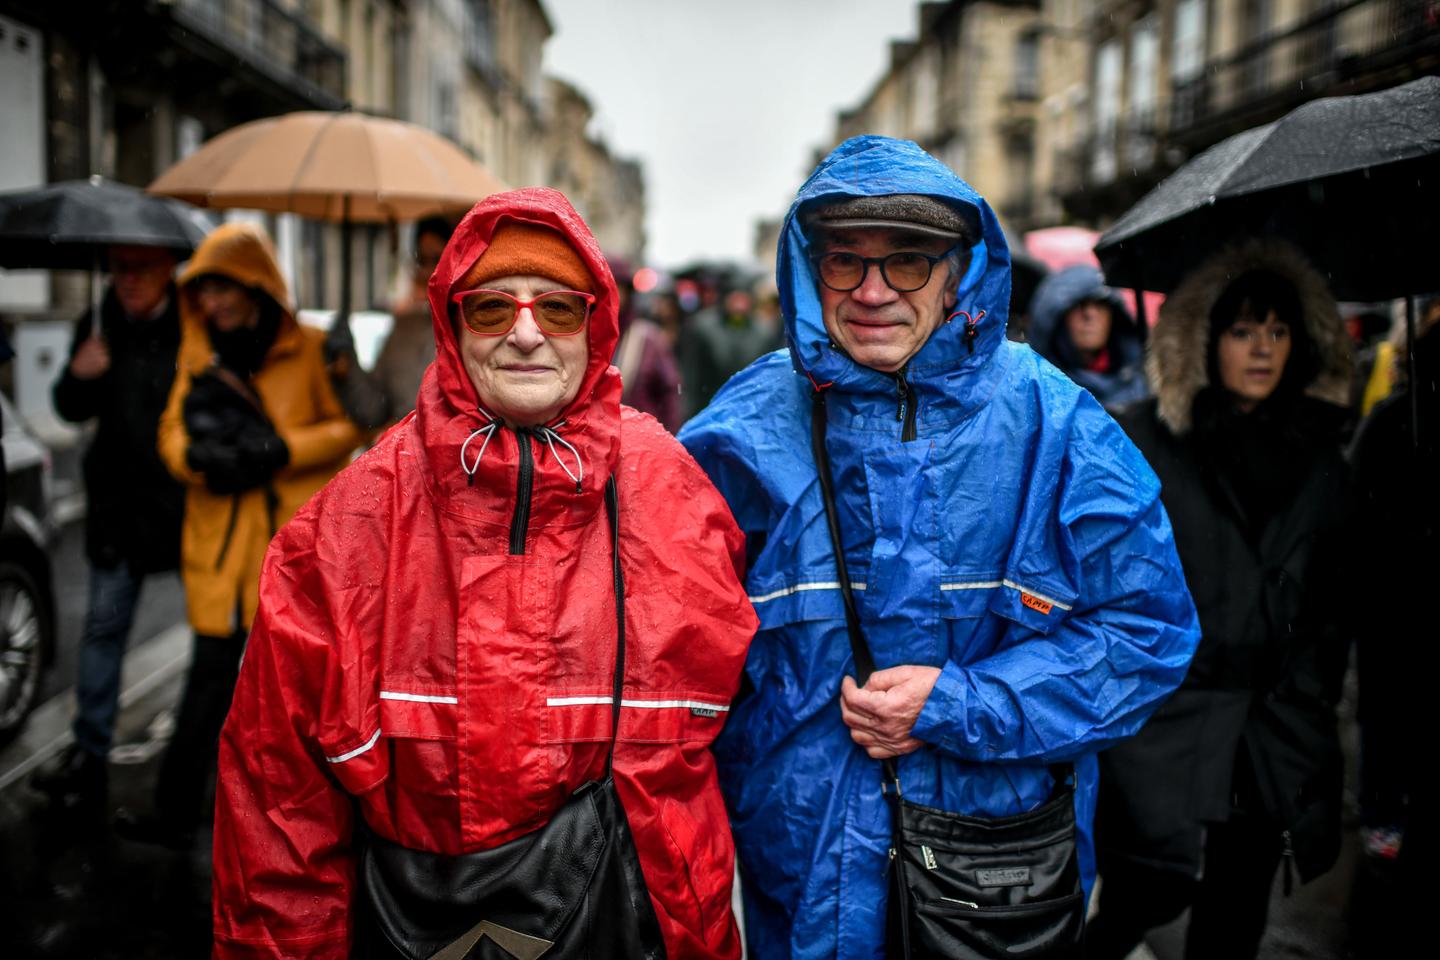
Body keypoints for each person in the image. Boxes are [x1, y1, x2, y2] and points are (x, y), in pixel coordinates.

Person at [678, 135, 1200, 959]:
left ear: (959, 273)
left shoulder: (1058, 426)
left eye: (908, 261)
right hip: (802, 875)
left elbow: (1148, 634)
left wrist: (962, 705)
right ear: (811, 270)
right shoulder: (744, 430)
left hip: (993, 882)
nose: (873, 290)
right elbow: (664, 649)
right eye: (845, 260)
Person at [210, 188, 756, 958]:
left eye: (557, 308)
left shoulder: (674, 496)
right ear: (453, 324)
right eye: (493, 308)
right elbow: (278, 812)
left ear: (596, 324)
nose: (526, 333)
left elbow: (731, 754)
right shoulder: (346, 525)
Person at [1088, 239, 1355, 960]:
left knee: (1236, 915)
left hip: (1270, 731)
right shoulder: (1144, 439)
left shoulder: (1322, 458)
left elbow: (1332, 608)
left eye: (1278, 330)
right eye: (1242, 330)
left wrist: (1307, 697)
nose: (1263, 349)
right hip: (1165, 724)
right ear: (1205, 341)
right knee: (1141, 895)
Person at [114, 222, 361, 848]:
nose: (213, 303)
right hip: (220, 547)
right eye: (204, 291)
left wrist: (281, 449)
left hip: (288, 549)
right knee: (207, 684)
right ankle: (175, 812)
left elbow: (347, 430)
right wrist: (198, 459)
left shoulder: (309, 348)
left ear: (255, 286)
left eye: (223, 288)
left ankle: (283, 824)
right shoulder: (201, 354)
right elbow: (171, 433)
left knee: (289, 696)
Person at [30, 244, 187, 812]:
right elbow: (69, 407)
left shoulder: (191, 324)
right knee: (103, 631)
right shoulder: (96, 323)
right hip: (117, 513)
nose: (129, 279)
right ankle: (89, 755)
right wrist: (79, 374)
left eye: (141, 267)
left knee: (219, 634)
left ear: (167, 269)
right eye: (120, 268)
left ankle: (205, 753)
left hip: (183, 509)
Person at [1027, 263, 1148, 408]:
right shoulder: (1034, 391)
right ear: (1056, 318)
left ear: (1115, 315)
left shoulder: (1143, 385)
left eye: (1100, 304)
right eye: (1079, 305)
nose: (1090, 314)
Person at [372, 215, 454, 421]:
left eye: (437, 259)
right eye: (422, 260)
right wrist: (348, 367)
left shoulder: (469, 327)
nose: (428, 272)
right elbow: (372, 407)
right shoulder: (404, 326)